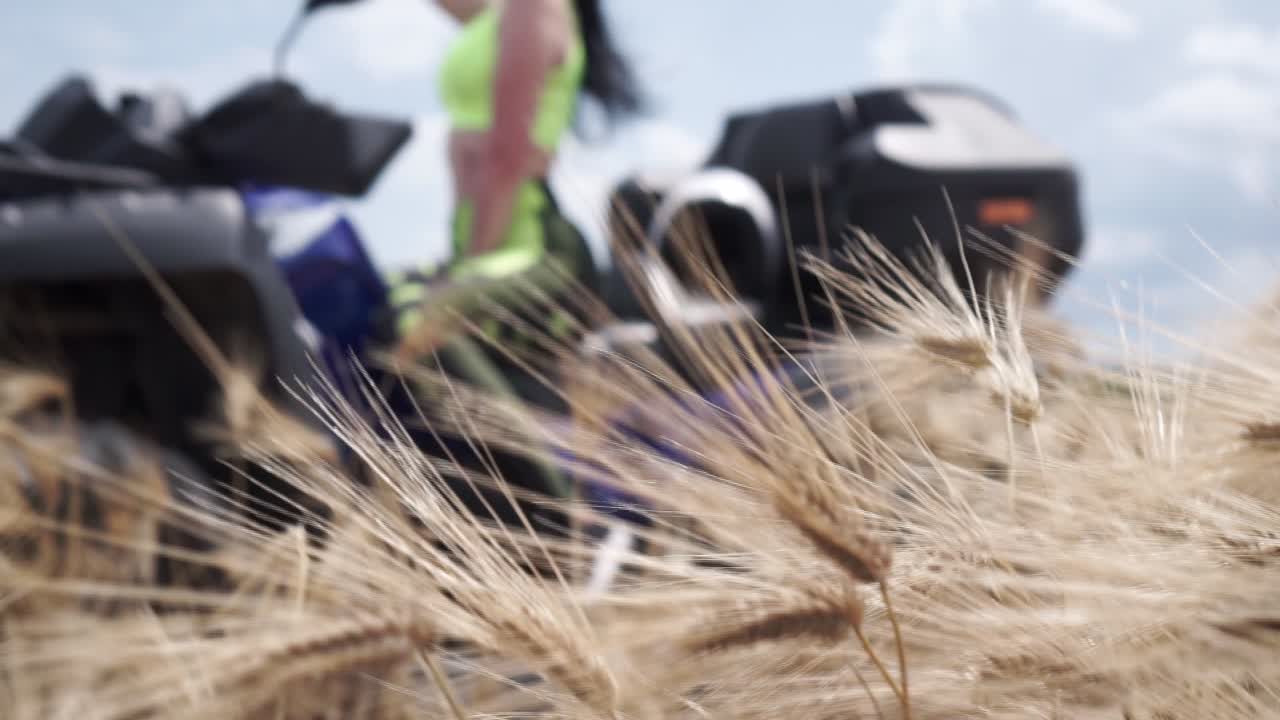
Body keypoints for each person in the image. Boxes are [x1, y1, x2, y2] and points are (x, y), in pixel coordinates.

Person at [381, 0, 644, 513]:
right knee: (387, 297)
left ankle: (569, 512)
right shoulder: (495, 14)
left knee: (420, 314)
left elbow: (509, 154)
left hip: (532, 245)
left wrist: (469, 265)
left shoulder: (535, 5)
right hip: (483, 244)